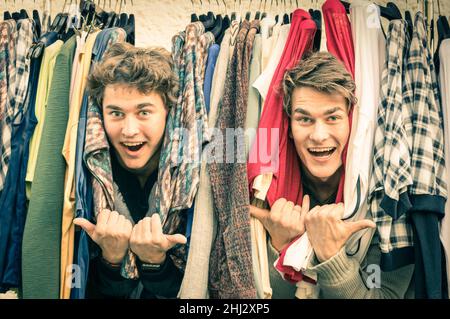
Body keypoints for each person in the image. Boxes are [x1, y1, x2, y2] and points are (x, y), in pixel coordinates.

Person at [249, 51, 415, 299]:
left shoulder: (383, 196)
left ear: (352, 122)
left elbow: (386, 295)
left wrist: (332, 257)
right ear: (289, 128)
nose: (318, 135)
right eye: (304, 119)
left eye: (333, 117)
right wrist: (280, 246)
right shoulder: (269, 192)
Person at [73, 42, 186, 299]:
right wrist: (112, 260)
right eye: (116, 113)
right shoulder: (88, 177)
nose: (129, 130)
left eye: (144, 112)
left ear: (167, 112)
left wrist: (155, 262)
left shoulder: (188, 178)